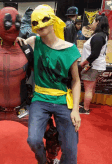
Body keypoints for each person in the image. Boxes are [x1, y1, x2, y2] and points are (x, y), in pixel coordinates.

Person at [0, 7, 60, 164]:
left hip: (22, 108)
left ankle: (50, 160)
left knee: (52, 133)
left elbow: (42, 77)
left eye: (17, 23)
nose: (13, 27)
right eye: (8, 22)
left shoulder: (26, 49)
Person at [18, 5, 81, 164]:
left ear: (52, 20)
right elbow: (16, 47)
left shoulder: (70, 49)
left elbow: (76, 80)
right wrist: (16, 41)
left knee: (71, 149)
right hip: (40, 98)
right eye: (35, 22)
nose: (40, 24)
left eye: (44, 19)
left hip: (62, 99)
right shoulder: (34, 41)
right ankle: (43, 161)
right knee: (33, 140)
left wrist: (75, 110)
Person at [79, 13, 109, 114]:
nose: (91, 24)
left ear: (98, 23)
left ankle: (85, 109)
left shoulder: (98, 36)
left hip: (93, 66)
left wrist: (84, 63)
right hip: (96, 65)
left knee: (88, 88)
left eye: (93, 21)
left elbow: (94, 54)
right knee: (91, 87)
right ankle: (86, 104)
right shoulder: (101, 35)